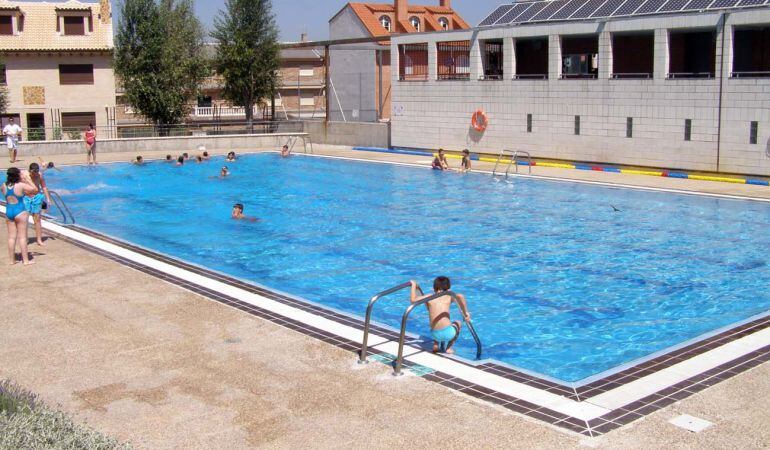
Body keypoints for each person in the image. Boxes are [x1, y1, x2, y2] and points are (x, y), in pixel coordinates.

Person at [410, 276, 470, 354]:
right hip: (448, 333)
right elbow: (461, 296)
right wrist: (466, 313)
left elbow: (413, 300)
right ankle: (449, 348)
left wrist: (413, 285)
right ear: (448, 288)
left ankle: (436, 344)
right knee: (458, 322)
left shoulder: (429, 297)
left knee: (436, 323)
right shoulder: (449, 296)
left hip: (434, 334)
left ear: (434, 288)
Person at [3, 168, 38, 265]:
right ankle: (26, 261)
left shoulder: (4, 185)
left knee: (11, 237)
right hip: (20, 211)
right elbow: (35, 190)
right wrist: (27, 179)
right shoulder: (21, 185)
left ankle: (12, 260)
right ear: (17, 175)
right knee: (22, 237)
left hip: (9, 211)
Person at [24, 163, 52, 247]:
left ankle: (39, 239)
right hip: (26, 198)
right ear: (30, 171)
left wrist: (48, 199)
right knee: (24, 220)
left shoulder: (39, 175)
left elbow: (43, 187)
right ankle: (25, 239)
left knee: (37, 219)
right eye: (33, 173)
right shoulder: (24, 175)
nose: (35, 174)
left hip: (36, 198)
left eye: (36, 172)